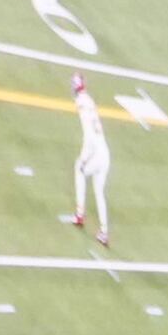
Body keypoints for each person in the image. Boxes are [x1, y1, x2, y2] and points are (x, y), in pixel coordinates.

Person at [63, 78, 111, 250]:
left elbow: (89, 137)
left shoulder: (83, 105)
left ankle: (80, 214)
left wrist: (84, 158)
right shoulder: (89, 101)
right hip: (104, 152)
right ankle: (104, 232)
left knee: (79, 170)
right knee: (99, 192)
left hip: (96, 153)